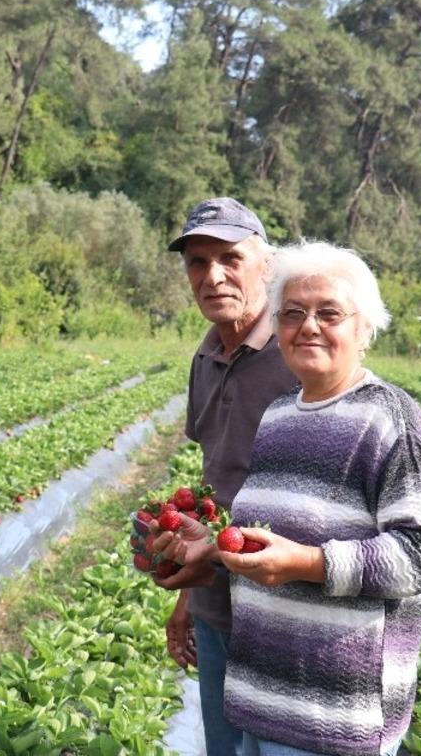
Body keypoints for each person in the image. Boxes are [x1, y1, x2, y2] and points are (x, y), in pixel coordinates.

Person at [156, 240, 421, 756]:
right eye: (293, 312)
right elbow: (268, 545)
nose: (309, 325)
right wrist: (212, 549)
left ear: (365, 328)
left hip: (335, 717)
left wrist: (309, 563)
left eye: (329, 312)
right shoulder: (278, 417)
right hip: (260, 698)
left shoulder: (391, 421)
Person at [161, 198, 299, 756]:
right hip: (219, 605)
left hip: (285, 612)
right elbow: (213, 481)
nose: (212, 276)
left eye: (229, 258)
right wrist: (189, 598)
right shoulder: (206, 355)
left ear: (266, 265)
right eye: (198, 262)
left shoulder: (297, 355)